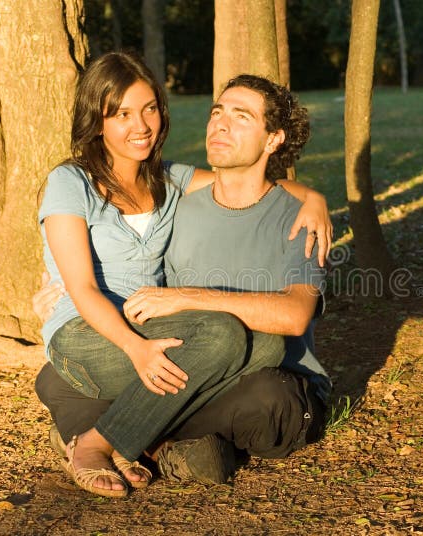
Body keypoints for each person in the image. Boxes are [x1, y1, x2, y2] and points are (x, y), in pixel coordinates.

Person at [36, 53, 331, 498]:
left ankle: (122, 436)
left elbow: (240, 181)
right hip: (97, 331)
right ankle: (114, 443)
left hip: (158, 330)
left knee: (267, 345)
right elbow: (81, 288)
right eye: (122, 114)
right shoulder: (70, 182)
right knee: (226, 341)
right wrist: (137, 349)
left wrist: (313, 196)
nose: (141, 125)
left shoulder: (168, 181)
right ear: (97, 121)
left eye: (149, 108)